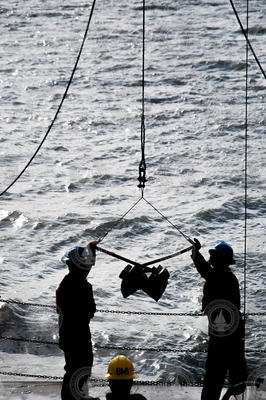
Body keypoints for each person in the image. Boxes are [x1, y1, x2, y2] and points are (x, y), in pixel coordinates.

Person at [191, 238, 247, 400]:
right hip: (230, 332)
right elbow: (206, 270)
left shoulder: (221, 276)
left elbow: (204, 270)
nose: (212, 257)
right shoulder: (225, 275)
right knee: (232, 371)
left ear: (223, 260)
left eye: (215, 255)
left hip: (224, 334)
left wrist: (196, 253)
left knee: (215, 374)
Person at [56, 242, 98, 400]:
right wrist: (91, 251)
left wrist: (91, 251)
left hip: (71, 336)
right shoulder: (77, 286)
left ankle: (78, 396)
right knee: (77, 370)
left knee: (77, 370)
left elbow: (87, 267)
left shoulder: (70, 282)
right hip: (76, 337)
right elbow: (89, 312)